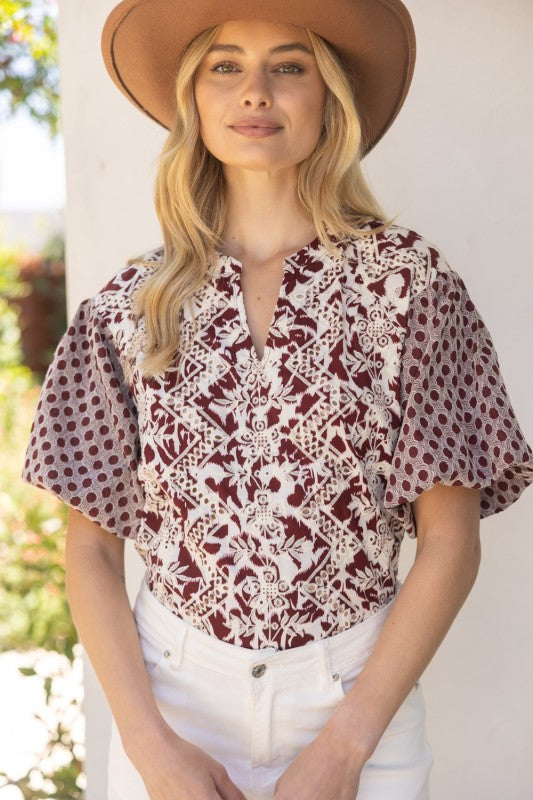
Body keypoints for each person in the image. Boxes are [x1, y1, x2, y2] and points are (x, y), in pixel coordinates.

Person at [20, 1, 533, 799]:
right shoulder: (127, 308)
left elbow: (449, 541)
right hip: (172, 702)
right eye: (224, 66)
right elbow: (89, 548)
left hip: (356, 699)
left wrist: (345, 749)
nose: (254, 91)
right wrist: (149, 746)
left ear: (329, 96)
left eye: (289, 66)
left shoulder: (408, 290)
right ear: (194, 98)